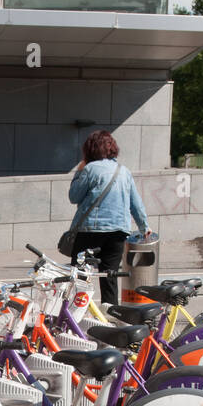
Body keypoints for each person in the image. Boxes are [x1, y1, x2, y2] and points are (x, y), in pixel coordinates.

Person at [67, 130, 152, 307]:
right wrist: (144, 226)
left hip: (90, 231)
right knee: (109, 277)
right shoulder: (124, 171)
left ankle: (73, 316)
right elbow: (135, 202)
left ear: (90, 149)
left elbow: (74, 196)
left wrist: (79, 171)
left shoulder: (89, 169)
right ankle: (109, 319)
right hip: (118, 233)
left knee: (80, 277)